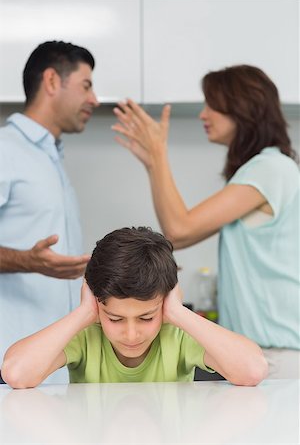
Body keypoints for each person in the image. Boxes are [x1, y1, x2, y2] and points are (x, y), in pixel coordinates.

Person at [111, 65, 300, 379]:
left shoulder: (270, 167)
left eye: (212, 104)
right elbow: (179, 234)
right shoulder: (267, 167)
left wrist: (159, 153)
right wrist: (152, 164)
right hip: (265, 351)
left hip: (278, 353)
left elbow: (178, 230)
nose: (203, 114)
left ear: (243, 109)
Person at [1, 227, 267, 388]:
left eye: (146, 317)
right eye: (115, 319)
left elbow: (252, 370)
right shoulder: (87, 333)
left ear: (166, 301)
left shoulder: (177, 333)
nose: (131, 335)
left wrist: (177, 312)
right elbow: (16, 373)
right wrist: (83, 313)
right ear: (96, 303)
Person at [0, 40, 99, 383]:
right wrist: (28, 261)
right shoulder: (5, 149)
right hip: (10, 363)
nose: (94, 100)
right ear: (52, 81)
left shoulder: (50, 158)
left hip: (53, 366)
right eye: (86, 85)